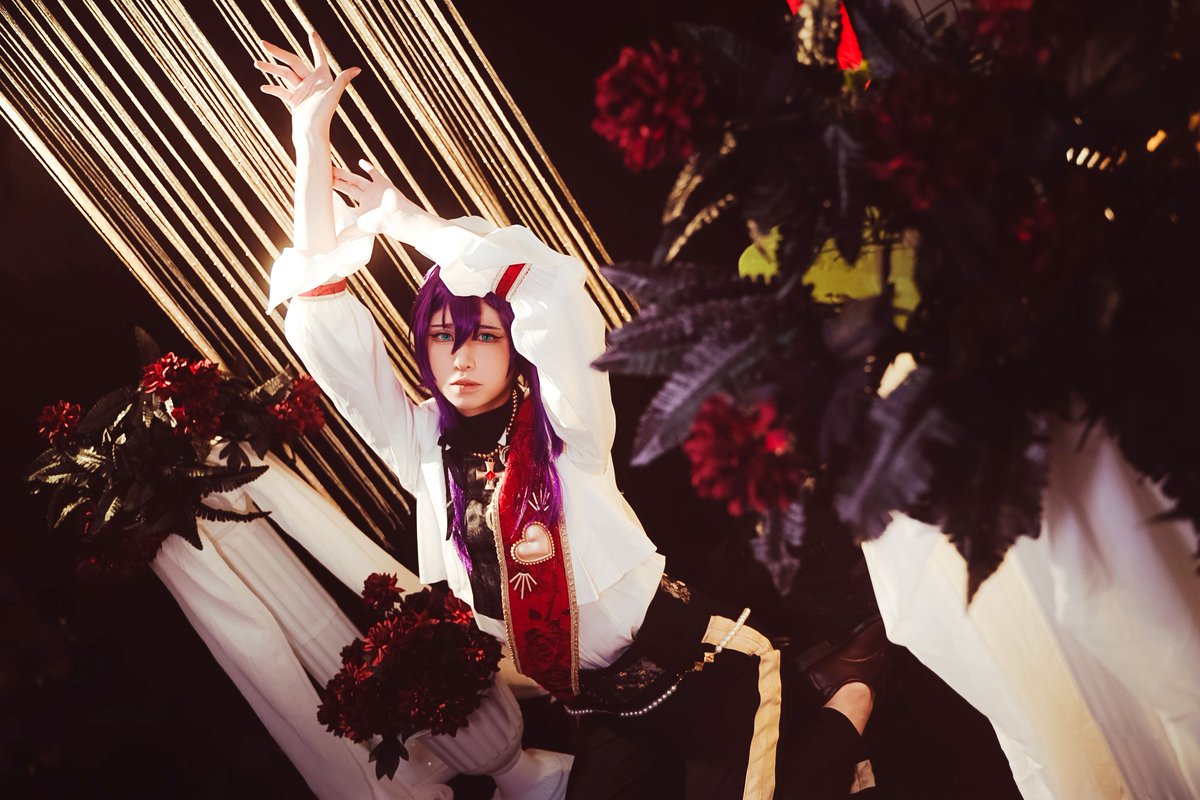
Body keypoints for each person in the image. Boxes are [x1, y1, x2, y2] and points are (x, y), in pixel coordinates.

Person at [255, 30, 882, 799]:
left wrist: (409, 222)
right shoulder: (420, 443)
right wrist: (310, 138)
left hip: (703, 669)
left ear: (513, 344)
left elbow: (550, 291)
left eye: (484, 336)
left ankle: (849, 700)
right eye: (443, 337)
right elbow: (324, 323)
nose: (460, 356)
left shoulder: (564, 420)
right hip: (603, 709)